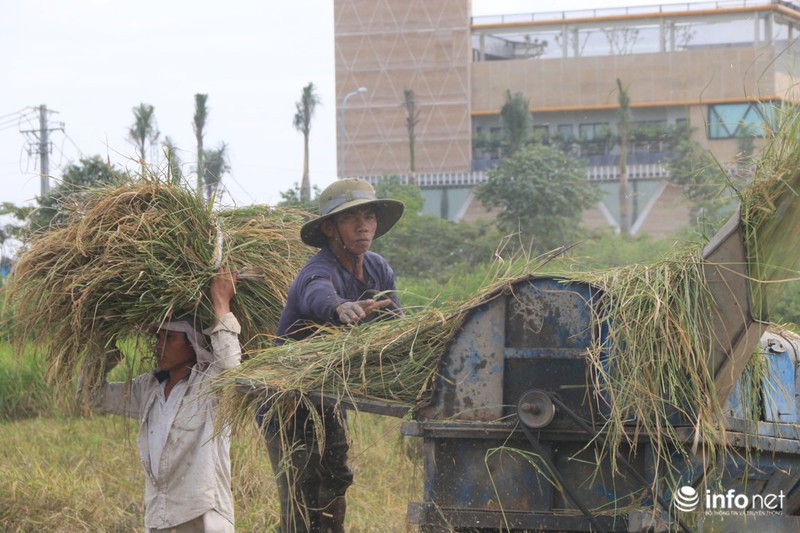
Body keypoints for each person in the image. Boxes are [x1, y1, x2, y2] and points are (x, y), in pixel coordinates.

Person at [259, 178, 405, 532]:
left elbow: (398, 323)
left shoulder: (376, 268)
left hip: (327, 396)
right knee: (301, 492)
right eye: (352, 218)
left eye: (369, 216)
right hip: (288, 399)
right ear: (329, 227)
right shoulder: (318, 270)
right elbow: (316, 294)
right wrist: (341, 308)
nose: (363, 226)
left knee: (336, 478)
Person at [88, 268, 241, 533]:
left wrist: (221, 302)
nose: (157, 346)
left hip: (203, 516)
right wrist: (103, 349)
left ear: (193, 343)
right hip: (160, 517)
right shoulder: (149, 389)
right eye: (157, 338)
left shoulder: (210, 384)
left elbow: (231, 368)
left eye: (168, 338)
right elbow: (92, 397)